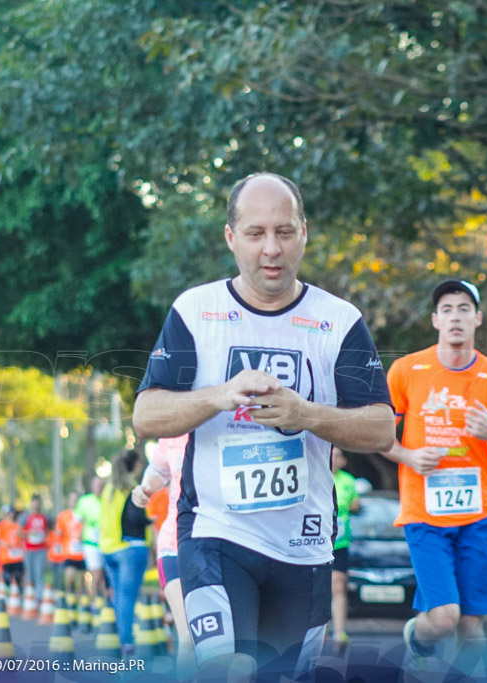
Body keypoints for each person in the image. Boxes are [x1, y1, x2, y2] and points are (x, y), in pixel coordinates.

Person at [132, 172, 393, 677]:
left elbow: (381, 429)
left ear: (304, 233)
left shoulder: (338, 321)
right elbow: (146, 414)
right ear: (231, 237)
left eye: (284, 232)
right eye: (255, 233)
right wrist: (219, 396)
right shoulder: (195, 312)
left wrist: (307, 414)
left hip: (305, 545)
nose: (271, 249)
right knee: (226, 668)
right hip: (215, 535)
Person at [381, 279, 487, 665]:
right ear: (435, 320)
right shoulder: (406, 371)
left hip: (479, 515)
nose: (455, 316)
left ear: (477, 318)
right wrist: (408, 457)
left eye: (463, 308)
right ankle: (417, 634)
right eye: (447, 309)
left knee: (472, 630)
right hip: (425, 515)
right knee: (445, 619)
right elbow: (376, 436)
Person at [132, 435, 195, 675]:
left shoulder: (228, 417)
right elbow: (158, 467)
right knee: (189, 637)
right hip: (174, 545)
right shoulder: (174, 427)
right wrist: (146, 488)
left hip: (222, 546)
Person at [98, 450, 150, 658]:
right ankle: (127, 641)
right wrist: (152, 521)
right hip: (129, 548)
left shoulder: (108, 489)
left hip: (108, 549)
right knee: (128, 597)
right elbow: (135, 518)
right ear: (135, 466)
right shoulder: (131, 488)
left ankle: (122, 639)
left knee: (119, 596)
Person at [329, 446, 361, 652]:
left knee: (338, 586)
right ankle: (318, 629)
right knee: (318, 586)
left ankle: (339, 632)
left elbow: (356, 505)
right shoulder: (317, 475)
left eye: (339, 456)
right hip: (317, 541)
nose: (335, 459)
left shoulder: (348, 481)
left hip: (340, 542)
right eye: (332, 455)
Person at [75, 476, 106, 603]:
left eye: (101, 485)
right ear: (92, 487)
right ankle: (93, 601)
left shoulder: (107, 500)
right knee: (96, 572)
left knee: (101, 575)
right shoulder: (85, 501)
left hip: (106, 542)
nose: (99, 488)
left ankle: (102, 601)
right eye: (97, 485)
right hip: (90, 542)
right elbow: (77, 521)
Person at [21, 493, 50, 593]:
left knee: (39, 573)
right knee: (29, 573)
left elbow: (49, 531)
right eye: (34, 503)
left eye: (38, 503)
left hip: (41, 549)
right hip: (29, 549)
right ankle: (28, 595)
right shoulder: (25, 517)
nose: (36, 505)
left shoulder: (45, 517)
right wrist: (30, 532)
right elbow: (19, 532)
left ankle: (39, 597)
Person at [0, 505, 25, 591]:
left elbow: (23, 536)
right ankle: (8, 592)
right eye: (8, 513)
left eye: (12, 513)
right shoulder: (1, 525)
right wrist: (4, 544)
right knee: (7, 576)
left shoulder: (18, 525)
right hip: (6, 556)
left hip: (18, 556)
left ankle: (19, 592)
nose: (11, 515)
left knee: (18, 575)